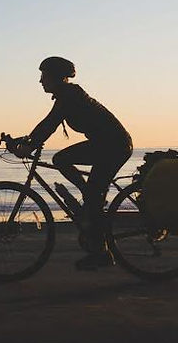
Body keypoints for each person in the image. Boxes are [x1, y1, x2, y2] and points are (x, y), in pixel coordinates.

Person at [23, 56, 133, 271]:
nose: (40, 81)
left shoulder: (70, 96)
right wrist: (26, 141)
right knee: (68, 166)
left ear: (55, 77)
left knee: (65, 164)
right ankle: (91, 202)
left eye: (43, 76)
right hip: (106, 145)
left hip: (114, 146)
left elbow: (50, 124)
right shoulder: (68, 95)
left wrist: (31, 144)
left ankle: (101, 251)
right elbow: (47, 124)